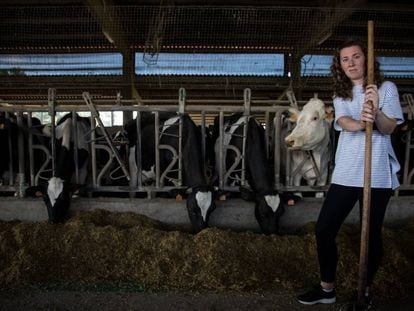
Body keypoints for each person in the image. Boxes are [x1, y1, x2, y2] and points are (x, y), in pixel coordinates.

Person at [297, 39, 404, 307]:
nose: (351, 63)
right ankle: (327, 289)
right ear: (340, 66)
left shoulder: (385, 88)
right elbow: (343, 121)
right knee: (324, 229)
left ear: (366, 60)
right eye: (345, 60)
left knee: (370, 235)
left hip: (377, 174)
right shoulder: (341, 93)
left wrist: (376, 109)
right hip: (346, 172)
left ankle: (363, 293)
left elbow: (390, 128)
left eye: (356, 57)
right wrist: (360, 121)